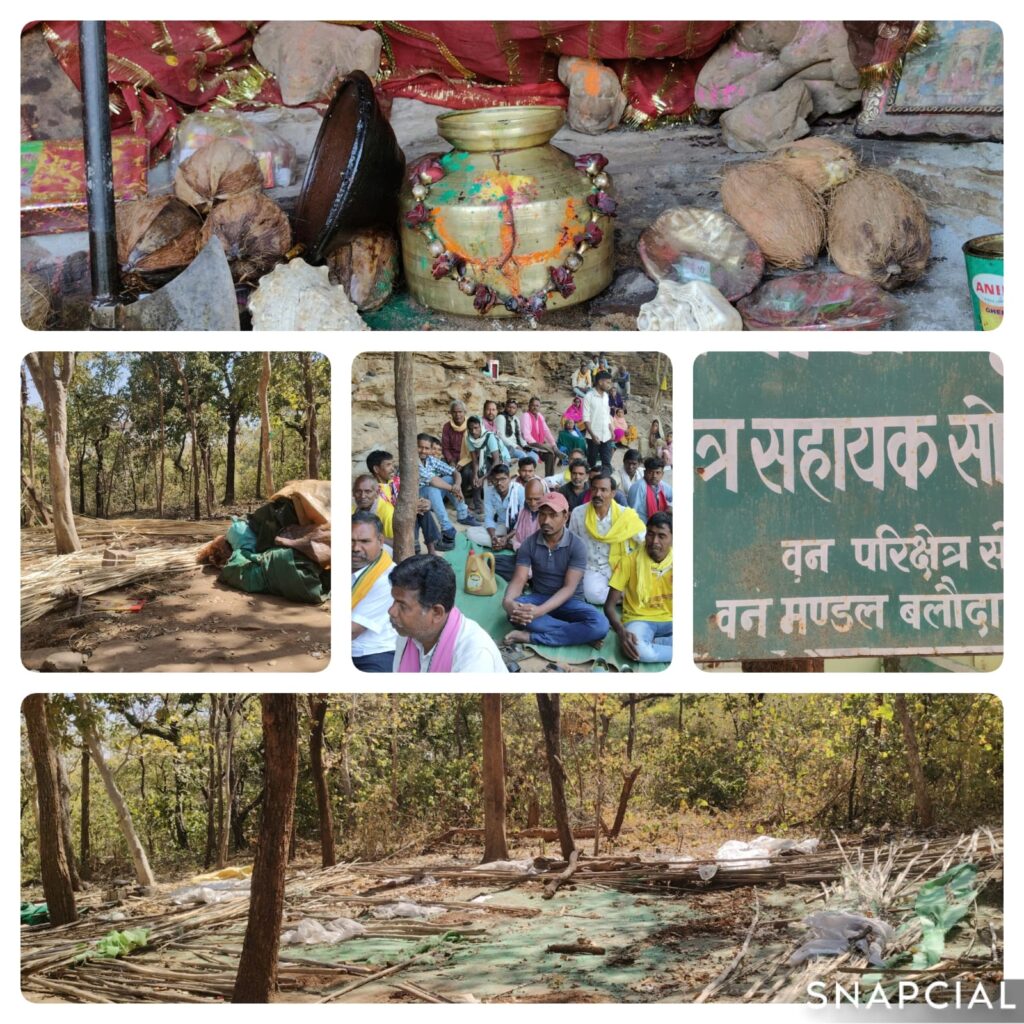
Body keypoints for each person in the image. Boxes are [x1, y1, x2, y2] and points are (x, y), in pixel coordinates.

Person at [502, 491, 609, 648]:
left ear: (565, 517)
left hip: (570, 603)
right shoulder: (529, 544)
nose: (546, 520)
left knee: (600, 624)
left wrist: (539, 611)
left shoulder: (577, 545)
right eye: (542, 515)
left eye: (553, 515)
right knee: (515, 610)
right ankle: (580, 634)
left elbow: (569, 588)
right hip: (540, 597)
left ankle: (531, 637)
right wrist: (508, 601)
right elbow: (519, 579)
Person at [390, 554, 507, 672]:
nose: (391, 611)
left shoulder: (475, 655)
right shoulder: (407, 633)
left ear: (437, 613)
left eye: (402, 606)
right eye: (394, 601)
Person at [603, 511, 672, 664]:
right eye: (650, 534)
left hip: (672, 620)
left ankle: (655, 643)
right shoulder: (628, 561)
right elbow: (609, 607)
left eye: (661, 536)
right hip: (640, 619)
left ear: (672, 539)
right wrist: (621, 633)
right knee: (638, 651)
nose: (654, 541)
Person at [569, 470, 645, 605]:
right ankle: (623, 597)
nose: (598, 494)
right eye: (594, 489)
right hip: (593, 567)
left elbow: (644, 540)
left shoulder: (625, 515)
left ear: (613, 493)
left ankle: (622, 595)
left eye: (603, 490)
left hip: (621, 565)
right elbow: (572, 543)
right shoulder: (578, 513)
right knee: (592, 595)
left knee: (643, 587)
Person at [367, 449, 440, 553]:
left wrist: (422, 503)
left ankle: (431, 551)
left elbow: (410, 499)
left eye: (392, 464)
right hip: (391, 528)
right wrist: (410, 509)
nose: (393, 468)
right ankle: (412, 545)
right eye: (388, 465)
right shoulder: (373, 489)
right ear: (376, 469)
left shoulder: (396, 481)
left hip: (405, 517)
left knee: (424, 510)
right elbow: (386, 513)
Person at [351, 512, 398, 672]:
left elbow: (352, 631)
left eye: (364, 541)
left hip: (372, 653)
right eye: (350, 541)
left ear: (380, 541)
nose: (355, 548)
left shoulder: (388, 579)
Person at [417, 433, 476, 546]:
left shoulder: (430, 459)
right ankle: (447, 529)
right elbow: (432, 480)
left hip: (431, 495)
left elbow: (454, 472)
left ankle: (463, 514)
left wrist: (457, 485)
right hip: (417, 496)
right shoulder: (414, 460)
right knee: (432, 488)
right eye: (420, 447)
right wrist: (454, 490)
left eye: (427, 448)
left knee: (450, 478)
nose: (423, 451)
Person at [466, 462, 523, 551]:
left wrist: (507, 537)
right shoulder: (489, 492)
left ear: (509, 478)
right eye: (496, 480)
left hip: (516, 527)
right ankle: (501, 543)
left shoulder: (519, 490)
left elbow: (522, 520)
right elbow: (489, 518)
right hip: (501, 525)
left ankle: (504, 543)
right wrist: (493, 536)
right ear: (492, 480)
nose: (499, 483)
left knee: (526, 534)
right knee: (470, 532)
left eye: (503, 479)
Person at [441, 400, 477, 507]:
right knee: (443, 468)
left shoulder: (470, 426)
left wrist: (462, 462)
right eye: (455, 412)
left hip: (467, 458)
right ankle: (447, 496)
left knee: (466, 472)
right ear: (451, 413)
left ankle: (462, 496)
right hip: (452, 458)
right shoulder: (447, 427)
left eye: (460, 412)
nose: (458, 415)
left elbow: (474, 447)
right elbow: (445, 447)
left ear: (465, 412)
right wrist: (451, 461)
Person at [582, 370, 614, 470]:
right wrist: (592, 435)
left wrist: (611, 430)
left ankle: (606, 484)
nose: (610, 385)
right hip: (593, 437)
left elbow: (607, 414)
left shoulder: (606, 396)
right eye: (608, 382)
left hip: (606, 435)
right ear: (600, 382)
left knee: (606, 463)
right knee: (591, 463)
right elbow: (586, 419)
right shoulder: (588, 397)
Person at [521, 396, 560, 476]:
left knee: (549, 455)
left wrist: (553, 443)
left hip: (538, 445)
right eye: (533, 405)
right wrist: (539, 446)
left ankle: (549, 478)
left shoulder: (540, 416)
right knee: (550, 450)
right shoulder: (526, 416)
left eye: (537, 405)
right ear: (529, 406)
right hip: (529, 445)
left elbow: (546, 431)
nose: (535, 407)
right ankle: (556, 451)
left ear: (540, 407)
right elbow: (526, 435)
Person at [627, 456, 673, 524]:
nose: (654, 476)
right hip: (642, 527)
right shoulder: (638, 487)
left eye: (658, 473)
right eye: (650, 472)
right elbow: (631, 512)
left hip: (659, 524)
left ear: (662, 474)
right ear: (645, 472)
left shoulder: (662, 485)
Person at [495, 397, 535, 465]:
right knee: (522, 455)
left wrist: (524, 445)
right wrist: (516, 446)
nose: (511, 409)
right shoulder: (501, 418)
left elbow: (520, 435)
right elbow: (501, 437)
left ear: (516, 409)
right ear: (505, 407)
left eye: (513, 408)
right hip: (506, 447)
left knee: (533, 455)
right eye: (509, 407)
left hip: (516, 445)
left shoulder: (516, 419)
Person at [352, 473, 394, 538]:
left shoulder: (388, 513)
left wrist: (372, 538)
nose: (363, 496)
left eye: (368, 492)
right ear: (353, 493)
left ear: (377, 493)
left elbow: (396, 543)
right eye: (358, 491)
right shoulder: (353, 508)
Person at [512, 476, 546, 551]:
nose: (533, 503)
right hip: (523, 553)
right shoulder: (523, 512)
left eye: (537, 499)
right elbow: (517, 539)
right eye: (529, 499)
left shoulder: (550, 515)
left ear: (543, 495)